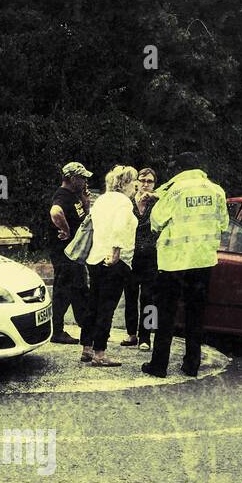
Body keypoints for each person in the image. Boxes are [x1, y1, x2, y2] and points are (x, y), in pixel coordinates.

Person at [142, 153, 228, 378]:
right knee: (196, 314)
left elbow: (157, 221)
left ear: (180, 169)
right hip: (203, 260)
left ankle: (159, 365)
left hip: (174, 262)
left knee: (166, 314)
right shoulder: (216, 190)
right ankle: (192, 365)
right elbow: (224, 223)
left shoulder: (175, 190)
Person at [81, 165, 138, 367]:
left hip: (95, 257)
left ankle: (87, 347)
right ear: (125, 183)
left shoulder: (101, 200)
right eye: (133, 181)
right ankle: (100, 353)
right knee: (107, 307)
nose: (136, 186)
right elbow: (119, 227)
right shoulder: (123, 203)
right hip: (115, 260)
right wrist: (116, 252)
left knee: (93, 304)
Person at [47, 162, 93, 345]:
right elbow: (55, 211)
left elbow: (84, 219)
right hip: (64, 254)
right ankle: (57, 331)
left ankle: (86, 327)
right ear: (72, 178)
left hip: (74, 254)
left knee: (79, 290)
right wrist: (65, 230)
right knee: (63, 291)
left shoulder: (74, 196)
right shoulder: (62, 196)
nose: (85, 182)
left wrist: (85, 202)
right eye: (82, 178)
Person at [121, 166, 158, 351]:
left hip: (152, 257)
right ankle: (131, 334)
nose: (145, 184)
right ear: (137, 182)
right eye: (142, 180)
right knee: (130, 295)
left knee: (149, 298)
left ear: (154, 184)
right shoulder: (128, 202)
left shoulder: (158, 202)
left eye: (149, 181)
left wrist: (155, 197)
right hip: (131, 255)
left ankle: (146, 337)